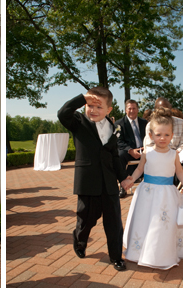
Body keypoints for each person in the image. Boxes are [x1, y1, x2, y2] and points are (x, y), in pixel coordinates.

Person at [120, 112, 183, 269]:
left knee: (163, 223)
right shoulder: (147, 152)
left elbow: (179, 170)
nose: (162, 138)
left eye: (166, 134)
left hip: (167, 194)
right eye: (158, 134)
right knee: (146, 221)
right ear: (151, 135)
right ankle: (140, 251)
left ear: (172, 135)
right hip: (147, 193)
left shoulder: (174, 154)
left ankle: (161, 252)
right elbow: (140, 169)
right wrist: (131, 179)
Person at [57, 87, 128, 271]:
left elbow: (114, 156)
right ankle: (80, 241)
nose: (94, 110)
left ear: (109, 110)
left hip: (109, 183)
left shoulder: (113, 127)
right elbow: (63, 113)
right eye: (90, 105)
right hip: (88, 182)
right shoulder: (78, 122)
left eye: (99, 106)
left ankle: (116, 257)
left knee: (114, 222)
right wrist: (82, 98)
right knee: (86, 219)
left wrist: (124, 178)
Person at [143, 101, 183, 205]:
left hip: (179, 153)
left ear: (170, 108)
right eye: (160, 108)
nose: (164, 111)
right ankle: (166, 197)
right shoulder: (150, 125)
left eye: (166, 108)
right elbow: (149, 145)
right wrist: (165, 153)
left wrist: (177, 153)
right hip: (159, 154)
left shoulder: (181, 122)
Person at [115, 99, 148, 198]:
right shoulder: (118, 124)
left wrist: (145, 147)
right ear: (125, 110)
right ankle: (123, 185)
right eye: (129, 108)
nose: (132, 111)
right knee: (120, 155)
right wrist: (130, 150)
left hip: (144, 150)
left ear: (138, 110)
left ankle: (148, 184)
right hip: (128, 152)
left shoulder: (145, 123)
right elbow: (118, 141)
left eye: (134, 108)